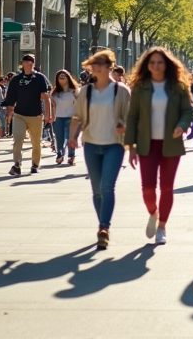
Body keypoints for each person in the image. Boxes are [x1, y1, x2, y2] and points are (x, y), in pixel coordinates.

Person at [124, 47, 193, 245]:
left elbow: (187, 112)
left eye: (159, 62)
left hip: (170, 145)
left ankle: (162, 226)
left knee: (167, 187)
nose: (155, 66)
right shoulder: (139, 87)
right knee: (147, 188)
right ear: (147, 65)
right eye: (152, 62)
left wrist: (181, 126)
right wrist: (130, 146)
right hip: (147, 145)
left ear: (167, 65)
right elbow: (133, 116)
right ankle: (153, 213)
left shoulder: (178, 86)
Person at [70, 49, 131, 250]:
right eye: (93, 64)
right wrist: (72, 136)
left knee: (107, 187)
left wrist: (125, 128)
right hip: (91, 144)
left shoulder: (121, 91)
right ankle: (102, 224)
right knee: (96, 190)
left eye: (99, 64)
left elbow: (131, 118)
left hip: (114, 144)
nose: (94, 67)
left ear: (109, 67)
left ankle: (104, 228)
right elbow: (78, 116)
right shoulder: (85, 91)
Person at [4, 54, 52, 176]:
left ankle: (35, 164)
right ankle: (17, 165)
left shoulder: (39, 78)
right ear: (22, 63)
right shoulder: (16, 79)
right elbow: (11, 98)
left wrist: (48, 114)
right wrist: (9, 112)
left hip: (35, 115)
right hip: (19, 114)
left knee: (36, 141)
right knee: (18, 138)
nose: (29, 63)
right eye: (26, 60)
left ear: (34, 63)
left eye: (31, 61)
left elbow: (46, 97)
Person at [51, 70, 79, 166]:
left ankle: (71, 156)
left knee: (70, 137)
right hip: (59, 117)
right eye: (60, 77)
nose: (62, 78)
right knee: (59, 138)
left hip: (71, 117)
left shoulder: (74, 91)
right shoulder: (55, 93)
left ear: (68, 78)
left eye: (64, 76)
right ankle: (60, 154)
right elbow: (52, 105)